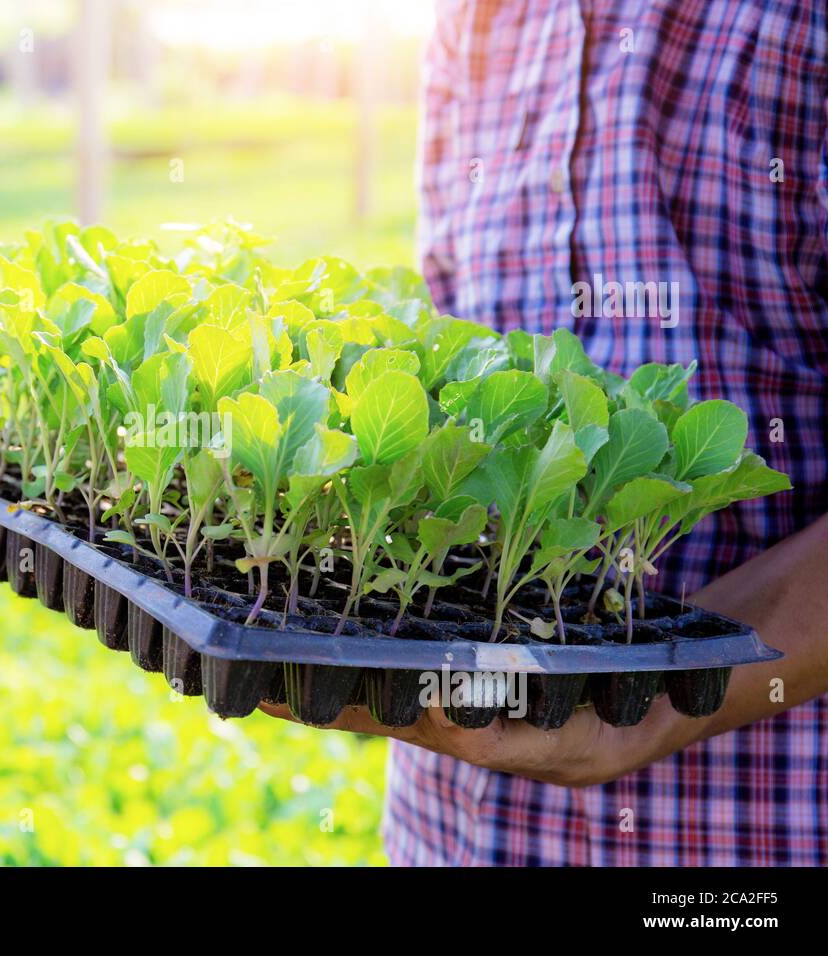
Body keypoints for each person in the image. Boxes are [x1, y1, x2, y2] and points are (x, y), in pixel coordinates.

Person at [261, 0, 828, 865]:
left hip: (744, 840)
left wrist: (657, 701)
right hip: (451, 831)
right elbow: (450, 373)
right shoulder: (473, 21)